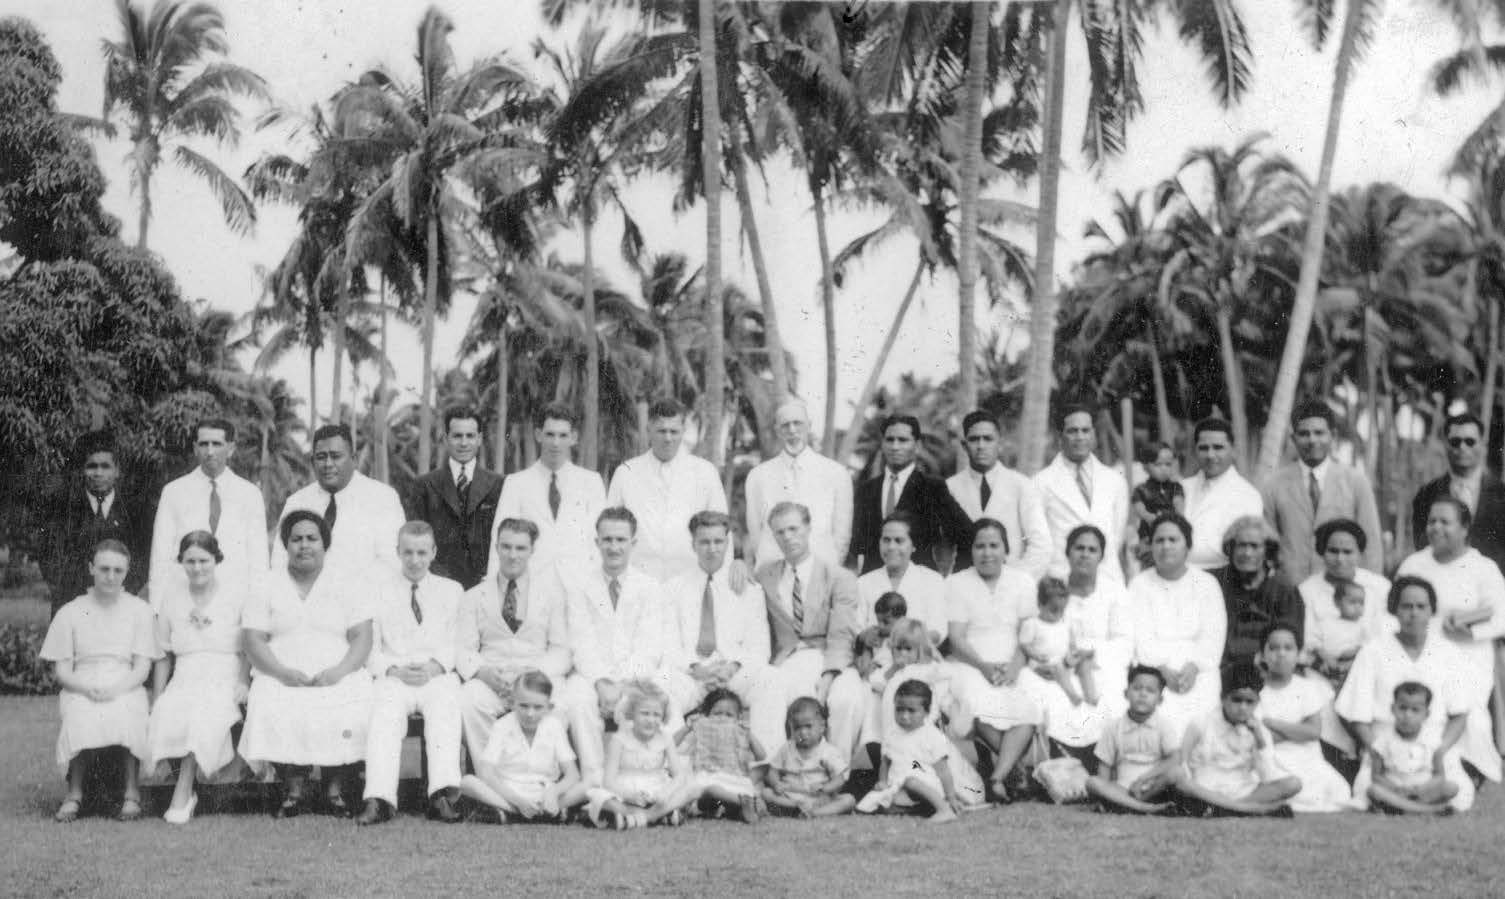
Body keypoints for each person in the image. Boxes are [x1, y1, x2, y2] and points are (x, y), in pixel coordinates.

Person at [239, 510, 375, 819]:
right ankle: (294, 788)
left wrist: (338, 672)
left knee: (353, 694)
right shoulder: (266, 583)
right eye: (296, 539)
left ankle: (335, 788)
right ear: (285, 545)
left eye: (312, 538)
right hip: (281, 670)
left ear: (325, 544)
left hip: (338, 669)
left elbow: (362, 638)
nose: (304, 545)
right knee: (269, 694)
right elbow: (253, 640)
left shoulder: (348, 582)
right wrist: (282, 673)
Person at [40, 539, 159, 823]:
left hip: (125, 681)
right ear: (91, 568)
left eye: (118, 570)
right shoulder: (70, 612)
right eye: (104, 568)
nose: (110, 576)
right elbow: (63, 671)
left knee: (129, 710)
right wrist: (86, 688)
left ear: (127, 572)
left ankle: (132, 793)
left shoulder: (139, 611)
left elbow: (142, 668)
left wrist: (118, 688)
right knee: (80, 713)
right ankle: (75, 793)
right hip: (81, 682)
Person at [1335, 576, 1480, 811]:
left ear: (1432, 611)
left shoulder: (1448, 652)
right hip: (1385, 744)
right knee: (1367, 789)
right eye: (1406, 606)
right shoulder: (1373, 652)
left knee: (1458, 791)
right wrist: (1378, 750)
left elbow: (1459, 715)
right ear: (1394, 610)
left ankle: (1399, 804)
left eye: (1421, 607)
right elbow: (1356, 716)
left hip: (1433, 744)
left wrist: (1440, 750)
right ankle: (1425, 808)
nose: (1414, 613)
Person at [356, 521, 466, 826]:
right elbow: (370, 645)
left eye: (421, 552)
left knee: (446, 706)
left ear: (433, 552)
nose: (415, 560)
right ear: (397, 553)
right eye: (408, 552)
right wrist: (392, 669)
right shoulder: (378, 591)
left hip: (436, 674)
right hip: (395, 674)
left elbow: (460, 641)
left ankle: (441, 795)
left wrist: (435, 667)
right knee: (384, 712)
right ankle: (379, 799)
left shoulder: (451, 591)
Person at [563, 507, 674, 785]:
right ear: (597, 542)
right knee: (577, 700)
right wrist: (601, 682)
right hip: (592, 676)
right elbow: (581, 639)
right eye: (608, 539)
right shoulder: (579, 584)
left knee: (646, 701)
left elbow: (648, 647)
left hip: (634, 676)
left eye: (621, 540)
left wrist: (622, 685)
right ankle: (594, 779)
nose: (614, 547)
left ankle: (642, 779)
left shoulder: (649, 587)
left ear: (633, 543)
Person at [749, 502, 866, 760]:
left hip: (830, 655)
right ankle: (798, 772)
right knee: (799, 699)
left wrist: (828, 675)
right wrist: (737, 564)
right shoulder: (764, 575)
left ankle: (839, 770)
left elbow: (842, 633)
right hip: (789, 658)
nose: (788, 537)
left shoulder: (838, 577)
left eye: (793, 528)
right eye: (780, 532)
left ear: (809, 528)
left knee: (847, 700)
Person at [146, 531, 248, 824]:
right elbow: (164, 653)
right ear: (181, 562)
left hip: (223, 673)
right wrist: (158, 694)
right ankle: (189, 785)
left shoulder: (234, 596)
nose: (197, 567)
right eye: (190, 561)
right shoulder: (172, 599)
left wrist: (243, 681)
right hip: (187, 673)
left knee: (202, 714)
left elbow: (247, 649)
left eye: (203, 560)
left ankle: (183, 792)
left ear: (216, 559)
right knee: (167, 711)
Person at [1396, 495, 1505, 766]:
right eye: (1432, 521)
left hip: (1467, 655)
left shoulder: (1483, 568)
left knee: (1464, 708)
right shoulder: (1413, 565)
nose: (1436, 527)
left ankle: (1463, 764)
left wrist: (1469, 631)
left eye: (1445, 521)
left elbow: (1501, 616)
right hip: (1417, 652)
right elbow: (1392, 611)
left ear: (1464, 529)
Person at [455, 518, 573, 761]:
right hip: (494, 680)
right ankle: (493, 773)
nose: (512, 555)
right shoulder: (474, 596)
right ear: (496, 547)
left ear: (532, 551)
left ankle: (539, 772)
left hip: (536, 676)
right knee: (467, 700)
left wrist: (534, 675)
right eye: (506, 547)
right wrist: (483, 672)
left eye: (520, 548)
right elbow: (463, 648)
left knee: (561, 701)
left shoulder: (551, 595)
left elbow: (561, 650)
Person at [945, 518, 1045, 801]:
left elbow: (1029, 632)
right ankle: (1016, 771)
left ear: (1005, 550)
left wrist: (1015, 666)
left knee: (1029, 704)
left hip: (1015, 658)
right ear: (971, 550)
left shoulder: (1022, 581)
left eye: (993, 546)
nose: (987, 553)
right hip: (970, 661)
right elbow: (957, 638)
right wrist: (984, 667)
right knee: (977, 701)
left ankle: (998, 775)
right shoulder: (957, 582)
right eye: (980, 546)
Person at [1027, 524, 1135, 756]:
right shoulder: (1051, 588)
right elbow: (1037, 632)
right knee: (1049, 698)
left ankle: (1099, 764)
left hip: (1102, 667)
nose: (1085, 554)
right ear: (1067, 553)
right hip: (1059, 666)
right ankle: (1058, 765)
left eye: (1092, 550)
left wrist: (1090, 652)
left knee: (1110, 700)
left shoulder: (1115, 593)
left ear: (1101, 556)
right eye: (1079, 548)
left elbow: (1124, 643)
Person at [606, 398, 728, 582]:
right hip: (638, 579)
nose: (668, 438)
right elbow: (608, 528)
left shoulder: (705, 472)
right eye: (661, 431)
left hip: (690, 578)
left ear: (683, 432)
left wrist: (722, 575)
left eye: (674, 431)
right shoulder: (626, 472)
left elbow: (723, 530)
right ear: (648, 431)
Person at [149, 418, 268, 605]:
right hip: (184, 599)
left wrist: (257, 611)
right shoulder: (174, 492)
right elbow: (160, 557)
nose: (210, 452)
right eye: (204, 444)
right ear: (195, 448)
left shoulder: (250, 495)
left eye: (217, 444)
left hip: (234, 602)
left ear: (231, 449)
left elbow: (258, 561)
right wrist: (156, 609)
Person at [665, 511, 771, 719]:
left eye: (718, 541)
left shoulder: (749, 589)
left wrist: (730, 668)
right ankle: (673, 752)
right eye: (704, 542)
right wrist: (697, 669)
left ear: (727, 543)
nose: (712, 549)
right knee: (660, 687)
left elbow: (760, 647)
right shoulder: (673, 588)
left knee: (770, 679)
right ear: (693, 544)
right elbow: (668, 645)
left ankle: (767, 751)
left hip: (733, 674)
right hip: (691, 676)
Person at [1262, 401, 1383, 581]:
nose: (1312, 440)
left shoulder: (1356, 482)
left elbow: (1371, 545)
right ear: (1293, 438)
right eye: (1304, 434)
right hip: (1290, 589)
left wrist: (1369, 590)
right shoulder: (1274, 484)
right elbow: (1266, 543)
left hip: (1341, 590)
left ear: (1332, 435)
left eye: (1319, 433)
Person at [1128, 514, 1226, 733]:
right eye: (1159, 541)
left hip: (1199, 669)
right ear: (1151, 547)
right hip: (1155, 669)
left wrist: (1194, 667)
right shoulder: (1139, 585)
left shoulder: (1207, 584)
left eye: (1173, 540)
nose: (1166, 546)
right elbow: (1140, 636)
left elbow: (1214, 635)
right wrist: (1162, 670)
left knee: (1201, 727)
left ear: (1187, 545)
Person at [488, 404, 606, 579]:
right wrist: (495, 591)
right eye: (550, 434)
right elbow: (499, 541)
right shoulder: (516, 483)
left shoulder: (591, 482)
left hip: (579, 588)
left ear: (573, 438)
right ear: (538, 435)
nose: (556, 443)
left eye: (563, 435)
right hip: (532, 587)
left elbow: (600, 540)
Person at [271, 424, 405, 578]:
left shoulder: (382, 499)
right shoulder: (297, 502)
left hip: (365, 598)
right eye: (321, 457)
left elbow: (392, 563)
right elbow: (279, 563)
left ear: (353, 459)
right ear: (313, 461)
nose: (328, 464)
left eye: (335, 456)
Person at [39, 431, 151, 616]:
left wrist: (118, 592)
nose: (98, 473)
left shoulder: (135, 511)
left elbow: (142, 561)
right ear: (82, 470)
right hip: (72, 605)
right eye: (92, 466)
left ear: (117, 471)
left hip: (120, 605)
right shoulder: (62, 509)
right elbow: (50, 560)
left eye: (105, 466)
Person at [459, 670, 589, 823]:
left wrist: (553, 792)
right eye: (524, 706)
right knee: (467, 782)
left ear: (549, 707)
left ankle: (511, 815)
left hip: (543, 793)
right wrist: (517, 801)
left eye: (538, 707)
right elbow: (487, 773)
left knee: (589, 785)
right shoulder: (502, 726)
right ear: (512, 703)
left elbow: (572, 775)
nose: (530, 714)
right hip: (510, 792)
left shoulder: (554, 726)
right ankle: (534, 814)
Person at [1174, 660, 1300, 817]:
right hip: (1204, 788)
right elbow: (1183, 764)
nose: (1243, 708)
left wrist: (1259, 739)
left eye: (1249, 702)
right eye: (1237, 700)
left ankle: (1226, 809)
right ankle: (1247, 810)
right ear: (1223, 698)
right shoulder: (1201, 723)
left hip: (1241, 790)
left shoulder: (1258, 730)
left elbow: (1267, 775)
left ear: (1257, 702)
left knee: (1293, 783)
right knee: (1180, 781)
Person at [850, 414, 972, 575]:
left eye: (903, 440)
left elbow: (967, 535)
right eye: (890, 440)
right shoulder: (866, 490)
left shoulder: (933, 488)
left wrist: (954, 578)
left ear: (917, 445)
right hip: (874, 586)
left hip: (919, 586)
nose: (895, 446)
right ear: (882, 444)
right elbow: (858, 546)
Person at [743, 399, 852, 570]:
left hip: (821, 571)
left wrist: (829, 572)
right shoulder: (758, 476)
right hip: (772, 573)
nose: (792, 430)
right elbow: (756, 532)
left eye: (797, 423)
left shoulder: (836, 473)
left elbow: (841, 535)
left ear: (809, 426)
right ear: (777, 431)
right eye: (785, 425)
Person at [404, 407, 503, 590]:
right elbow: (417, 539)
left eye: (470, 436)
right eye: (457, 436)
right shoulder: (424, 485)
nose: (464, 443)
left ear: (479, 439)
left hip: (486, 586)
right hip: (438, 587)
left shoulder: (499, 485)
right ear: (445, 439)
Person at [1257, 624, 1353, 813]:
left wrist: (1271, 723)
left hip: (1306, 756)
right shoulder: (1256, 690)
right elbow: (1258, 738)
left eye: (1288, 648)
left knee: (1339, 790)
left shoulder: (1307, 688)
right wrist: (1296, 730)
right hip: (1273, 758)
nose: (1281, 654)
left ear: (1298, 654)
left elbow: (1313, 732)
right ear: (1262, 654)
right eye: (1274, 648)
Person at [946, 410, 1053, 578]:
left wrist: (1018, 579)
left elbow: (1041, 544)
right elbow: (943, 548)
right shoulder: (949, 488)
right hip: (963, 588)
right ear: (964, 445)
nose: (981, 446)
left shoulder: (1021, 485)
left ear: (1000, 443)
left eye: (988, 439)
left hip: (1010, 585)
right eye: (974, 439)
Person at [1033, 405, 1130, 583]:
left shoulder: (1115, 481)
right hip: (1061, 579)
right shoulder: (1041, 483)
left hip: (1107, 579)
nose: (1080, 437)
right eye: (1072, 431)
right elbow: (1040, 541)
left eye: (1085, 430)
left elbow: (1116, 538)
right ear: (1060, 436)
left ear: (1093, 434)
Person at [586, 681, 694, 829]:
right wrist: (630, 795)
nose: (651, 720)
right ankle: (658, 815)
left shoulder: (665, 738)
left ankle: (635, 817)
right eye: (645, 713)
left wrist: (666, 792)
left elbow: (679, 775)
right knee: (602, 798)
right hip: (625, 788)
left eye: (657, 715)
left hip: (657, 787)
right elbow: (608, 781)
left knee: (685, 790)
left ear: (663, 717)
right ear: (632, 714)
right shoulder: (619, 739)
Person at [856, 680, 968, 822]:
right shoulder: (892, 734)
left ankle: (944, 810)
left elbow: (943, 771)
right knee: (879, 803)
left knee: (911, 781)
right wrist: (882, 781)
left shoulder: (932, 735)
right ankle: (916, 810)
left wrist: (951, 797)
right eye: (899, 709)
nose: (904, 716)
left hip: (926, 785)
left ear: (926, 712)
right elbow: (885, 762)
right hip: (899, 785)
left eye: (911, 711)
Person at [1411, 411, 1505, 573]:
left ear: (1482, 445)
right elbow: (1422, 545)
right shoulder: (1427, 495)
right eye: (1455, 442)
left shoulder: (1501, 494)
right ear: (1446, 445)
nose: (1462, 448)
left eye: (1470, 442)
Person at [1297, 519, 1394, 671]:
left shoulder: (1380, 587)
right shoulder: (1306, 590)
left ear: (1360, 554)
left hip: (1370, 665)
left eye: (1347, 552)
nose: (1340, 559)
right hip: (1321, 667)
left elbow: (1386, 633)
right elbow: (1307, 636)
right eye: (1333, 551)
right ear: (1322, 551)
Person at [1210, 516, 1304, 669]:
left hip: (1266, 668)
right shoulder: (1213, 582)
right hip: (1218, 665)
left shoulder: (1284, 590)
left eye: (1254, 546)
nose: (1247, 553)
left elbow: (1290, 640)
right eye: (1241, 545)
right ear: (1231, 548)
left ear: (1267, 551)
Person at [1084, 665, 1180, 815]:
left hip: (1152, 788)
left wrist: (1143, 779)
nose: (1142, 694)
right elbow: (1104, 768)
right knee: (1092, 782)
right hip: (1123, 790)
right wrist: (1104, 793)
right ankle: (1144, 808)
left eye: (1150, 690)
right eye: (1137, 688)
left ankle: (1129, 806)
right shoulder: (1114, 727)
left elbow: (1175, 758)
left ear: (1160, 699)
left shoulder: (1164, 726)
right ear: (1126, 693)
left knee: (1177, 772)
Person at [1365, 682, 1461, 814]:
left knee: (1451, 788)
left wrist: (1422, 789)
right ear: (1393, 709)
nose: (1408, 715)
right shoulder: (1383, 742)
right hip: (1396, 790)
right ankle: (1429, 810)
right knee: (1374, 790)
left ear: (1426, 714)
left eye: (1415, 710)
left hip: (1422, 791)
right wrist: (1395, 788)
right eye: (1402, 708)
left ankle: (1400, 808)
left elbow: (1439, 775)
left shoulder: (1433, 742)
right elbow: (1376, 776)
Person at [1179, 418, 1262, 570]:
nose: (1210, 455)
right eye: (1203, 448)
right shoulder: (1182, 488)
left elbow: (1242, 548)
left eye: (1218, 447)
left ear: (1233, 449)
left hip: (1222, 576)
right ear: (1195, 451)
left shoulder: (1247, 495)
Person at [855, 512, 948, 642]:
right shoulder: (864, 583)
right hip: (875, 658)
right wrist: (864, 641)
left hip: (918, 658)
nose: (891, 547)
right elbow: (856, 630)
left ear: (913, 546)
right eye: (886, 540)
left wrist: (906, 641)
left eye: (899, 541)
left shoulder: (932, 581)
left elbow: (938, 630)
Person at [677, 688, 767, 823]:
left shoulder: (741, 734)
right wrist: (687, 727)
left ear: (738, 718)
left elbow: (761, 756)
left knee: (726, 796)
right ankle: (745, 803)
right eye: (717, 713)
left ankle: (745, 806)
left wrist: (749, 735)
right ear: (706, 715)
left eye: (729, 715)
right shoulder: (699, 734)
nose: (723, 718)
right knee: (711, 790)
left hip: (735, 782)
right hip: (708, 782)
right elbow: (672, 747)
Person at [760, 697, 856, 817]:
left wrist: (825, 788)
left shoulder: (828, 751)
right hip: (790, 796)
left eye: (808, 726)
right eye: (797, 728)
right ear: (791, 728)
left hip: (818, 799)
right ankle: (795, 809)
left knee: (849, 799)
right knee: (766, 792)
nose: (803, 732)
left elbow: (839, 779)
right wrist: (776, 783)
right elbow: (772, 770)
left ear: (822, 726)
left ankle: (814, 813)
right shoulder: (787, 748)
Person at [1018, 577, 1096, 707]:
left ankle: (1091, 696)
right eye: (1054, 610)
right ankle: (1073, 696)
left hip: (1063, 661)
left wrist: (1076, 653)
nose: (1058, 615)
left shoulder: (1064, 624)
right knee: (1057, 667)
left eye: (1062, 610)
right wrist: (1035, 655)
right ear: (1040, 605)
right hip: (1042, 664)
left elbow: (1071, 644)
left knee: (1085, 663)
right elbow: (1024, 644)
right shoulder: (1033, 624)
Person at [1307, 580, 1381, 689]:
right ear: (1337, 602)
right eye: (1352, 602)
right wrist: (1325, 657)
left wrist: (1352, 654)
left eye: (1361, 603)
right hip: (1326, 660)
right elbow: (1313, 642)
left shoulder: (1362, 628)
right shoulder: (1326, 623)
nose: (1357, 607)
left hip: (1349, 662)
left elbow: (1367, 647)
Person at [1130, 443, 1184, 562]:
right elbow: (1140, 509)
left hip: (1171, 528)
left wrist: (1177, 517)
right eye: (1158, 464)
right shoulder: (1141, 489)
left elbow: (1178, 503)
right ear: (1145, 467)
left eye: (1168, 464)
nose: (1164, 469)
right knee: (1148, 560)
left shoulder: (1175, 487)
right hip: (1149, 532)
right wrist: (1150, 517)